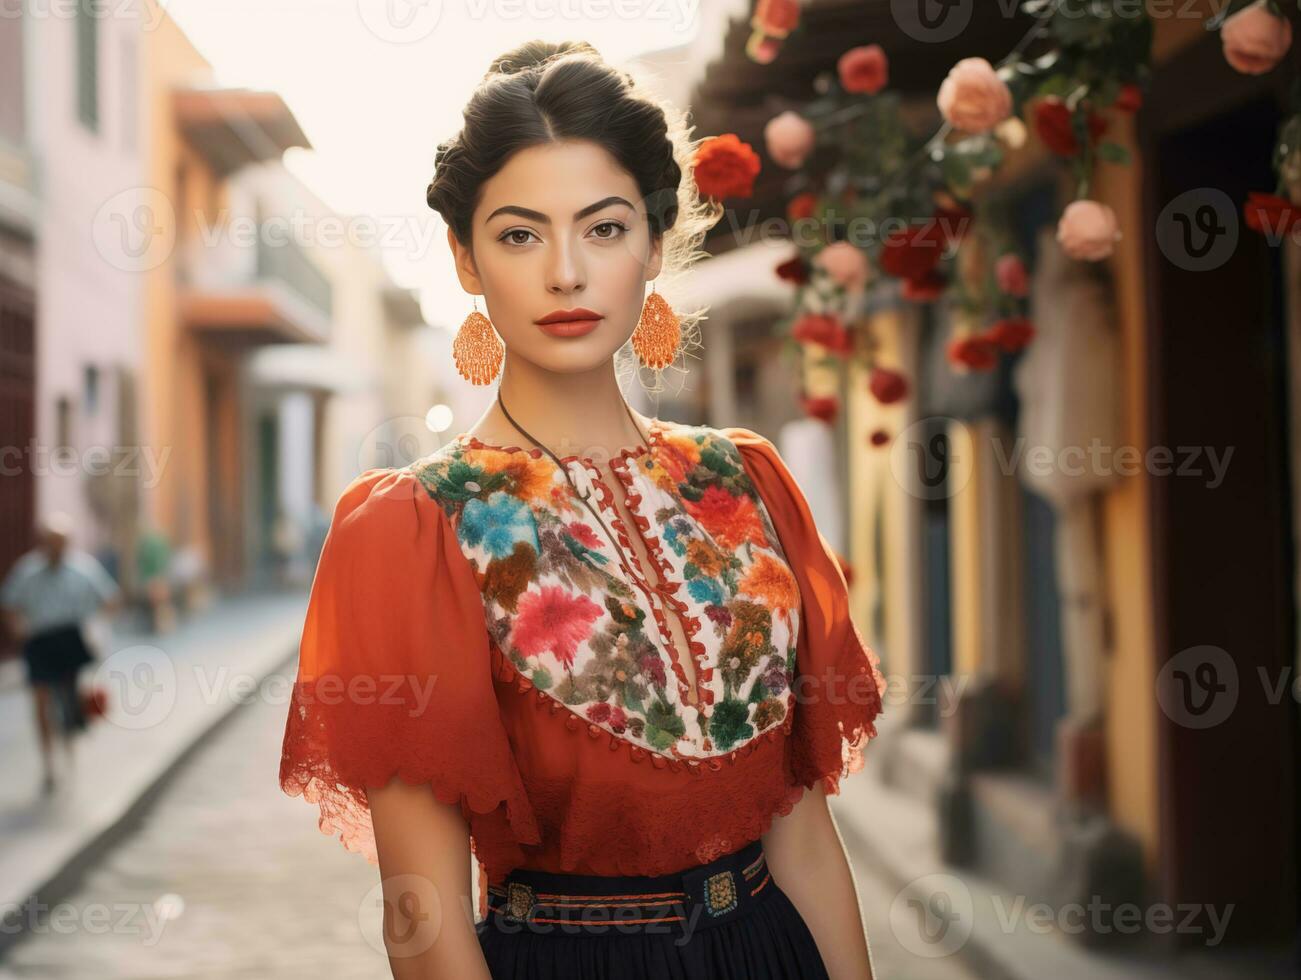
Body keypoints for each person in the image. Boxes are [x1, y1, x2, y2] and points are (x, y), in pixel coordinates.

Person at [278, 40, 887, 980]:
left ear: (651, 238)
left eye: (602, 229)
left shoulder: (745, 482)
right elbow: (422, 911)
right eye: (520, 234)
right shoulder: (412, 531)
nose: (565, 272)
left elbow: (801, 835)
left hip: (774, 953)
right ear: (465, 258)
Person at [1, 512, 123, 794]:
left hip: (71, 638)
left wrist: (96, 624)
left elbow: (110, 599)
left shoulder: (84, 569)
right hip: (40, 640)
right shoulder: (27, 571)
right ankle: (49, 763)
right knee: (40, 698)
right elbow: (9, 604)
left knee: (70, 693)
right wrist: (17, 627)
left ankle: (69, 740)